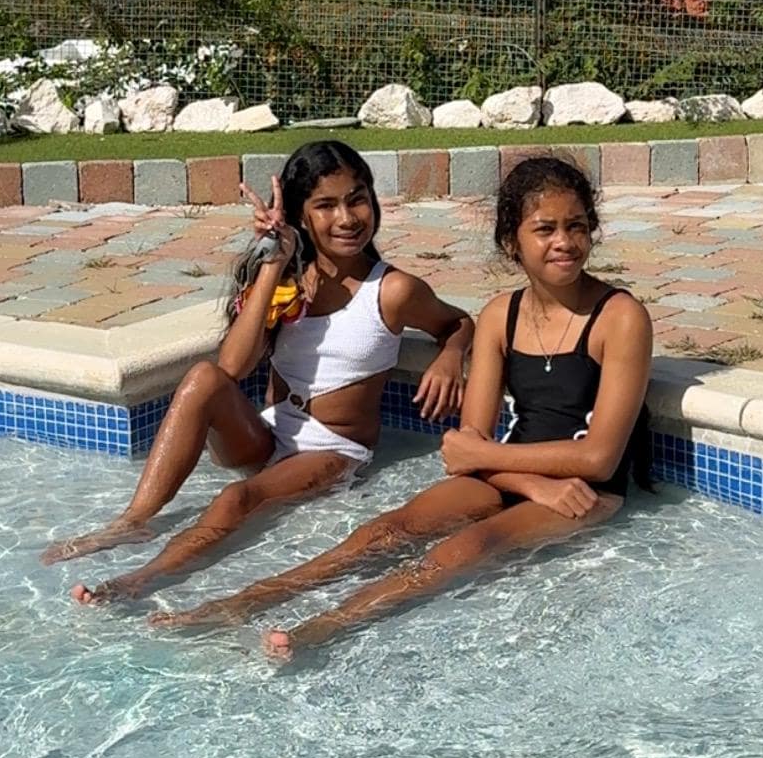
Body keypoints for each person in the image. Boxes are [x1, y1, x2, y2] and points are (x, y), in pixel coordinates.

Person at [151, 154, 653, 655]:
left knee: (470, 546)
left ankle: (324, 629)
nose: (564, 241)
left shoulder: (620, 317)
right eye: (545, 229)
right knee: (382, 532)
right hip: (515, 475)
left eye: (576, 226)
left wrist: (486, 459)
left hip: (584, 491)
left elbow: (598, 459)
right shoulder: (501, 314)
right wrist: (524, 479)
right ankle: (240, 603)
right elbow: (466, 446)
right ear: (511, 241)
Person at [42, 140, 474, 604]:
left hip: (331, 450)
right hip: (267, 434)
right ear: (300, 215)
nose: (347, 218)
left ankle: (142, 580)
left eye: (357, 199)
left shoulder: (392, 290)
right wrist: (273, 263)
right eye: (325, 205)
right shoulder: (289, 280)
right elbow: (232, 367)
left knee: (237, 498)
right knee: (203, 377)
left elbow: (458, 322)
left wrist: (450, 356)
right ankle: (134, 520)